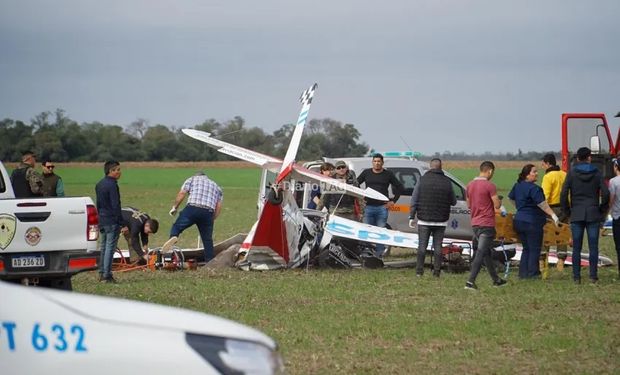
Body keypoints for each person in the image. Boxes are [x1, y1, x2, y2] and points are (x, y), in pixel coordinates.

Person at [560, 147, 609, 284]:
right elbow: (605, 193)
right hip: (593, 212)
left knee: (576, 247)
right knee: (593, 247)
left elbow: (563, 194)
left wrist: (567, 211)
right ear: (589, 158)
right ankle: (593, 276)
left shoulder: (571, 173)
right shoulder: (597, 172)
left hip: (576, 213)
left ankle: (576, 277)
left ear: (577, 158)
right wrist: (601, 210)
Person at [508, 164, 560, 279]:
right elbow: (542, 205)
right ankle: (533, 274)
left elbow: (510, 198)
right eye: (534, 172)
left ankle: (523, 273)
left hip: (519, 220)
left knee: (526, 248)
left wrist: (520, 207)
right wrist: (553, 215)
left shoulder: (517, 186)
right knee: (535, 248)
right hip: (532, 221)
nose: (537, 173)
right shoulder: (534, 188)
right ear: (527, 175)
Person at [409, 158, 456, 278]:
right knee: (438, 247)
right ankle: (436, 272)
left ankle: (419, 272)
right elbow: (453, 202)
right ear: (441, 167)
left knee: (422, 247)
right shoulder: (447, 181)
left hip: (424, 219)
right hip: (441, 220)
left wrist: (411, 216)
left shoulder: (422, 180)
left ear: (430, 167)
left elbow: (414, 199)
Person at [464, 161, 507, 290]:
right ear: (490, 171)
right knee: (481, 252)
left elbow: (469, 205)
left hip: (475, 223)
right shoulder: (490, 186)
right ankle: (470, 282)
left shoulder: (469, 185)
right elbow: (497, 205)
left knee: (486, 252)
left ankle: (496, 280)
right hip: (486, 224)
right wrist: (498, 199)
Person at [163, 171, 223, 262]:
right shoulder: (216, 186)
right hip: (208, 212)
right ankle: (210, 261)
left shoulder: (191, 179)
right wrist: (212, 219)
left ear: (196, 175)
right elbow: (218, 206)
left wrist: (174, 207)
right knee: (207, 240)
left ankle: (173, 238)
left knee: (177, 227)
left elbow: (182, 193)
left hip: (192, 208)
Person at [357, 153, 403, 257]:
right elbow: (356, 183)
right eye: (375, 161)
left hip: (382, 208)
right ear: (372, 162)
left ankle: (378, 255)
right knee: (367, 231)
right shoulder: (366, 173)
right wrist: (361, 195)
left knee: (380, 231)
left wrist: (393, 201)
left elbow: (400, 187)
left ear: (382, 163)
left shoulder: (388, 174)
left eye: (379, 161)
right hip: (368, 207)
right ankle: (366, 254)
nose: (377, 163)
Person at [95, 161, 123, 283]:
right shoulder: (112, 185)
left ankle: (101, 273)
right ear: (110, 171)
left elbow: (99, 204)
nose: (119, 172)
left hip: (102, 218)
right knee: (110, 248)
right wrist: (120, 221)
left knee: (103, 247)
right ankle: (107, 275)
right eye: (117, 170)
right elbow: (115, 204)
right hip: (111, 220)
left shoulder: (99, 184)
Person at [540, 153, 567, 273]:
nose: (542, 166)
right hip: (565, 208)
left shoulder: (548, 177)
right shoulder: (564, 174)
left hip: (551, 209)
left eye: (543, 164)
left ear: (547, 163)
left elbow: (544, 196)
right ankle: (561, 260)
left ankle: (542, 260)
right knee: (561, 235)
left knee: (546, 235)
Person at [608, 158, 620, 277]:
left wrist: (606, 211)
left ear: (616, 167)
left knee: (619, 245)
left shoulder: (613, 181)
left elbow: (611, 200)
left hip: (617, 216)